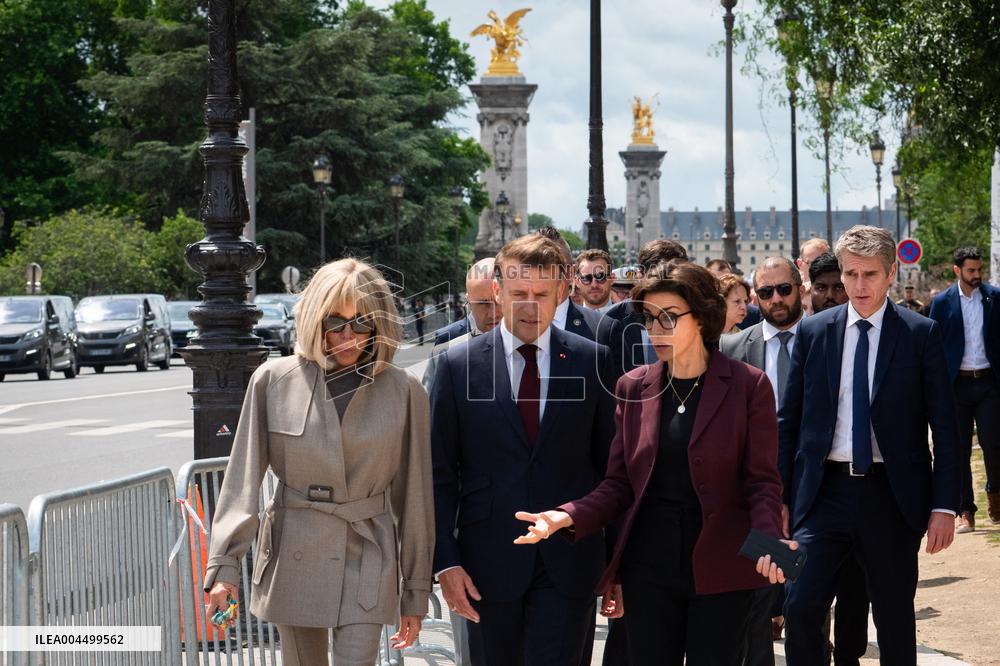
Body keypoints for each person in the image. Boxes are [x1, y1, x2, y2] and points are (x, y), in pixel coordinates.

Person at [514, 261, 784, 665]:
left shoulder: (749, 385)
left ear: (703, 318)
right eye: (649, 319)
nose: (656, 330)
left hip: (722, 567)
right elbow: (618, 485)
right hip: (648, 571)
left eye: (669, 318)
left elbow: (761, 482)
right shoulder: (633, 386)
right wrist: (565, 517)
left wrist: (769, 541)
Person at [204, 258, 433, 665]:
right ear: (313, 320)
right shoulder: (273, 381)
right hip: (294, 549)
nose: (348, 336)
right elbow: (241, 482)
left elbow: (415, 499)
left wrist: (415, 590)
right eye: (335, 322)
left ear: (379, 325)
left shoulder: (403, 390)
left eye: (362, 323)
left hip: (368, 553)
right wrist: (223, 567)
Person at [430, 234, 617, 666]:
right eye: (518, 294)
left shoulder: (593, 361)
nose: (530, 306)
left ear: (562, 293)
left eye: (541, 294)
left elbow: (611, 470)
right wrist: (446, 564)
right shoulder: (457, 367)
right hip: (484, 569)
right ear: (497, 292)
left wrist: (616, 565)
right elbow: (439, 474)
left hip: (570, 563)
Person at [777, 226, 958, 665]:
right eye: (851, 274)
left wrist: (945, 506)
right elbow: (789, 423)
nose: (858, 286)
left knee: (895, 618)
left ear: (891, 273)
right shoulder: (814, 332)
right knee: (799, 607)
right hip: (822, 496)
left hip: (891, 496)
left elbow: (947, 428)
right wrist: (779, 497)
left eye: (870, 275)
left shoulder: (920, 334)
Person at [720, 257, 804, 665]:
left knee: (807, 597)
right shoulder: (732, 346)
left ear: (799, 287)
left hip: (810, 488)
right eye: (766, 292)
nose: (776, 299)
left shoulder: (823, 338)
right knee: (756, 599)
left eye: (784, 289)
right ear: (755, 298)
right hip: (754, 493)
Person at [808, 250, 868, 666]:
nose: (831, 295)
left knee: (854, 592)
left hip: (862, 486)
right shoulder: (803, 336)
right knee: (798, 598)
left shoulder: (858, 332)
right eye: (822, 288)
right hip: (805, 491)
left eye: (837, 286)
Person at [929, 246, 1000, 532]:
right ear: (957, 270)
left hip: (988, 383)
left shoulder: (994, 298)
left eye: (979, 270)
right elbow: (932, 346)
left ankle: (995, 494)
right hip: (955, 385)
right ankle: (964, 510)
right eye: (971, 271)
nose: (977, 275)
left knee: (994, 444)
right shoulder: (942, 303)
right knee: (957, 450)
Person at [599, 239, 690, 375]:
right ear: (640, 275)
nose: (668, 287)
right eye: (659, 278)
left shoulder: (694, 316)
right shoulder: (609, 321)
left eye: (675, 278)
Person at [433, 259, 503, 346]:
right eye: (483, 303)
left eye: (500, 300)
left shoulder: (523, 335)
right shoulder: (447, 337)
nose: (493, 314)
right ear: (468, 300)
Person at [575, 249, 616, 313]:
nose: (594, 285)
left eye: (600, 277)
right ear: (577, 281)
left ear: (612, 278)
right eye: (586, 278)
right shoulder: (566, 320)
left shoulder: (628, 320)